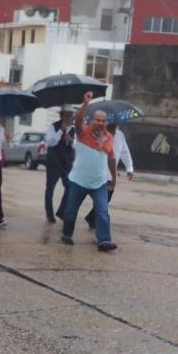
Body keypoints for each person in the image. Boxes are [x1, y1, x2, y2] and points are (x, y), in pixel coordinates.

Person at [61, 93, 117, 252]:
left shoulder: (109, 138)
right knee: (71, 211)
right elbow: (78, 120)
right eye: (97, 120)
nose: (100, 123)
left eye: (103, 121)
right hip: (78, 180)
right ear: (91, 121)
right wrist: (85, 103)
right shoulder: (83, 132)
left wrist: (113, 178)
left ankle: (104, 241)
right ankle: (67, 234)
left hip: (99, 182)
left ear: (106, 122)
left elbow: (111, 158)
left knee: (102, 211)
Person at [85, 123, 134, 229]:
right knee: (101, 200)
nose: (114, 128)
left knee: (106, 199)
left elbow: (125, 152)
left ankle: (91, 218)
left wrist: (129, 168)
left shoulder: (120, 135)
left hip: (111, 176)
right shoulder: (98, 134)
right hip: (98, 174)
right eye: (112, 125)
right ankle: (99, 226)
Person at [44, 110, 75, 223]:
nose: (69, 117)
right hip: (54, 163)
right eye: (67, 115)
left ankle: (61, 211)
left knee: (70, 187)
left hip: (67, 163)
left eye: (71, 115)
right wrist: (60, 131)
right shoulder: (53, 126)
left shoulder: (74, 128)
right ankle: (49, 214)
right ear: (61, 116)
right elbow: (50, 142)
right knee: (50, 189)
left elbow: (78, 146)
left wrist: (71, 141)